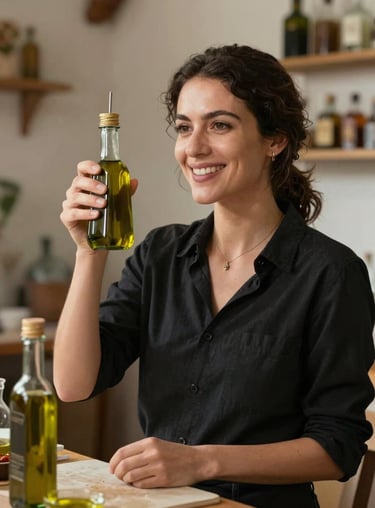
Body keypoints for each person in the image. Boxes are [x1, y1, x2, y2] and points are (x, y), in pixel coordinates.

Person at [54, 44, 375, 508]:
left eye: (219, 125)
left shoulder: (331, 273)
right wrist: (90, 251)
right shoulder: (160, 254)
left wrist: (201, 461)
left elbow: (336, 448)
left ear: (275, 139)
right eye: (185, 128)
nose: (194, 147)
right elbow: (73, 384)